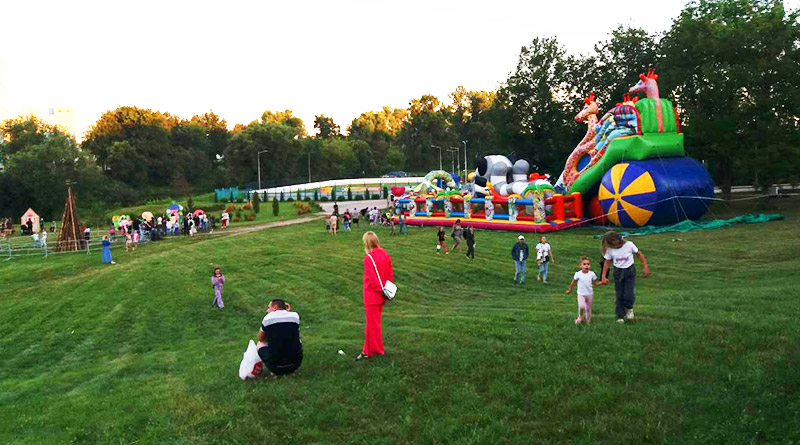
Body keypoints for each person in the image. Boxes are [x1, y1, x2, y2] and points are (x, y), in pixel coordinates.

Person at [600, 231, 651, 324]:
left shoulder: (629, 245)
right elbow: (607, 263)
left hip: (629, 271)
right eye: (611, 243)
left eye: (614, 241)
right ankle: (620, 316)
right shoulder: (610, 250)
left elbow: (639, 255)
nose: (614, 244)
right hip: (618, 273)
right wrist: (603, 276)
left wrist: (645, 267)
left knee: (628, 294)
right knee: (619, 295)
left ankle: (629, 308)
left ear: (617, 239)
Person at [358, 231, 393, 360]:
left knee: (373, 325)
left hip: (372, 295)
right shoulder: (385, 254)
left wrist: (380, 289)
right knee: (372, 324)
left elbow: (373, 279)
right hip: (382, 294)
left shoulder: (368, 258)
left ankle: (376, 350)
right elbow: (390, 273)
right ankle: (367, 350)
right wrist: (386, 289)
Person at [257, 299, 303, 375]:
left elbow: (260, 338)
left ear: (275, 307)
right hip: (295, 364)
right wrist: (286, 310)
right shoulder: (295, 316)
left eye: (269, 307)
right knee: (297, 339)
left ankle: (272, 369)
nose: (267, 311)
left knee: (260, 343)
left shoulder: (268, 318)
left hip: (275, 366)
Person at [565, 257, 605, 324]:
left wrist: (602, 283)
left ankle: (588, 321)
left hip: (589, 294)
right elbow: (572, 283)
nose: (586, 266)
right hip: (581, 294)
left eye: (588, 264)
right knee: (582, 306)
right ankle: (580, 316)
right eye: (584, 264)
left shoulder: (592, 274)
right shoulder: (578, 274)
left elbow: (595, 283)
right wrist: (569, 290)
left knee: (588, 309)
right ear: (580, 266)